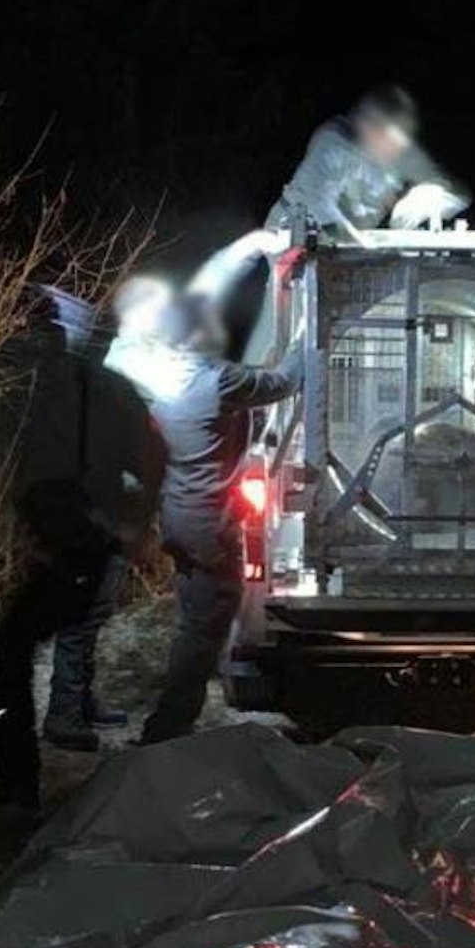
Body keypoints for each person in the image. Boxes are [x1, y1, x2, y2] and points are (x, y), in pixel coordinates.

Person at [0, 292, 165, 808]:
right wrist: (135, 526)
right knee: (66, 628)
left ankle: (23, 770)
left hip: (71, 540)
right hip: (90, 537)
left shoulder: (44, 391)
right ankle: (58, 724)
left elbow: (21, 464)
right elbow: (152, 460)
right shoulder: (113, 391)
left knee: (16, 649)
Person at [136, 289, 303, 743]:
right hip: (210, 525)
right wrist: (311, 331)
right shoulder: (216, 380)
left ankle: (169, 723)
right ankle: (167, 731)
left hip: (179, 517)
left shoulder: (166, 379)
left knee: (193, 622)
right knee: (204, 629)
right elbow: (283, 383)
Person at [265, 84, 468, 236]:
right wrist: (363, 248)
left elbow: (455, 192)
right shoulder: (332, 144)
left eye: (396, 144)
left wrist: (431, 197)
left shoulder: (401, 147)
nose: (391, 153)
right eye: (382, 139)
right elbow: (321, 209)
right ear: (366, 127)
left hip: (355, 243)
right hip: (291, 231)